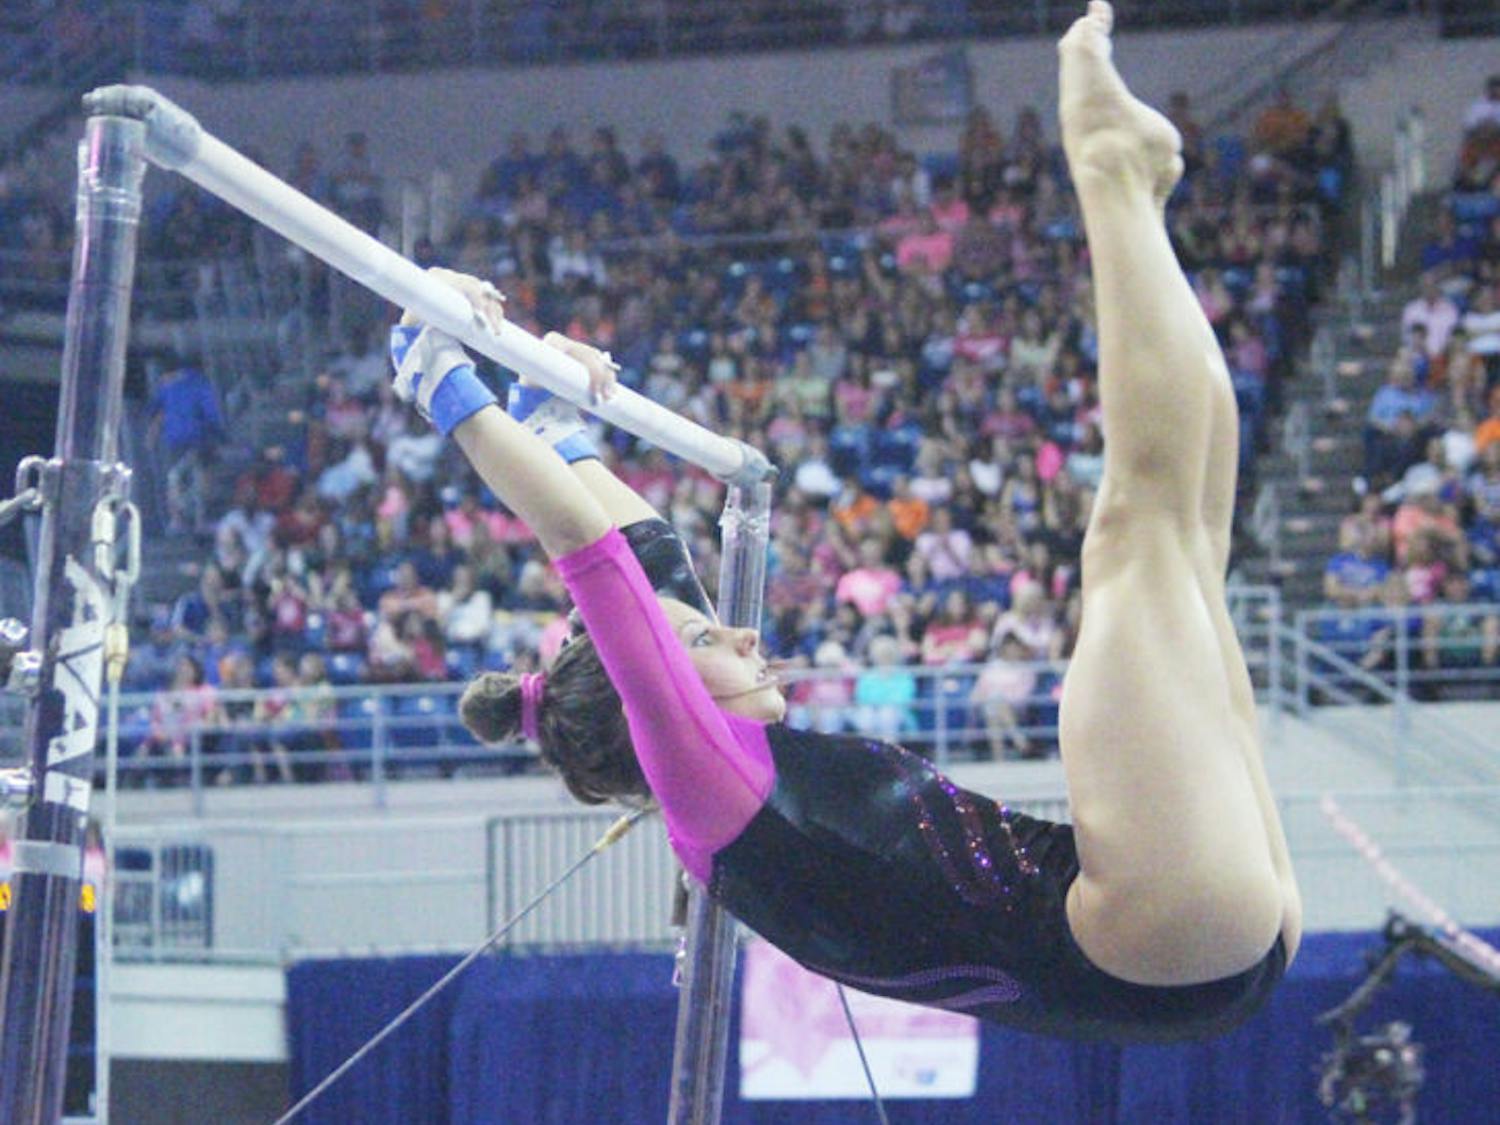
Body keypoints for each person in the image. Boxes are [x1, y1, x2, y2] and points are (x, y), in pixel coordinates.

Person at [386, 3, 1298, 1044]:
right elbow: (591, 561)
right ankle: (1108, 170)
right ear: (656, 698)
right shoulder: (709, 796)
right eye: (697, 641)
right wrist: (443, 384)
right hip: (1146, 927)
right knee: (1135, 534)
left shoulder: (723, 771)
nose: (736, 629)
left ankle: (1119, 171)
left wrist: (563, 415)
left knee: (1179, 542)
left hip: (1193, 935)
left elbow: (637, 553)